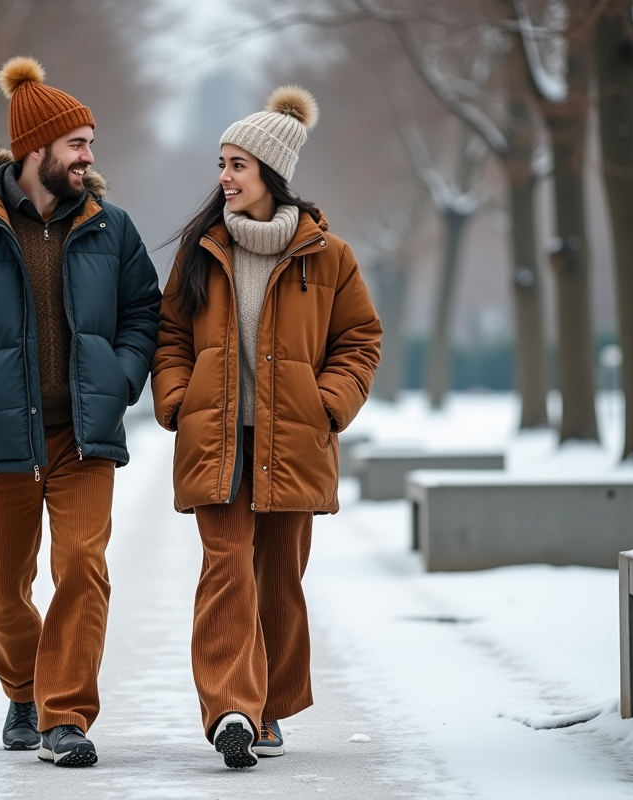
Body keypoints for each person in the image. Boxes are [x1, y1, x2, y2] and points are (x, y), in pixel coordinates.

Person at [0, 56, 161, 768]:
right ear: (35, 149)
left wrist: (121, 379)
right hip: (2, 433)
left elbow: (145, 313)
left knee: (82, 568)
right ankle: (23, 688)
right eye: (77, 144)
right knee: (3, 588)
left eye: (91, 144)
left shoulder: (112, 227)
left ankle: (64, 715)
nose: (89, 157)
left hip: (83, 436)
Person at [151, 86, 382, 769]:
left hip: (293, 440)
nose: (224, 177)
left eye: (238, 165)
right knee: (226, 568)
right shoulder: (200, 250)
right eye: (222, 163)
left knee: (278, 576)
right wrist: (178, 399)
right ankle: (232, 708)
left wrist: (328, 404)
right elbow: (169, 334)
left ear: (271, 173)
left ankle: (270, 706)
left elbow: (360, 340)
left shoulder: (328, 256)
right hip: (216, 438)